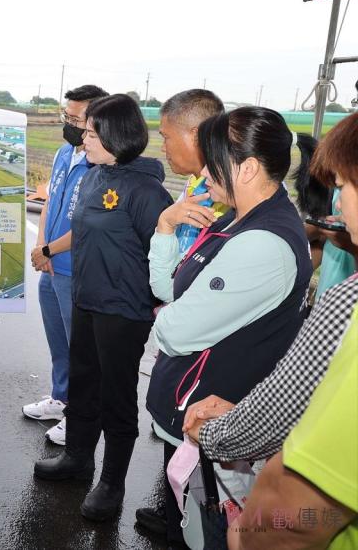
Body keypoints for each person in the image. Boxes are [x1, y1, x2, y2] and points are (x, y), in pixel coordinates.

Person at [144, 107, 312, 546]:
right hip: (190, 418)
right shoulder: (232, 218)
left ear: (249, 167)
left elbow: (176, 329)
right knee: (185, 524)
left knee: (205, 534)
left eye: (213, 158)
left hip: (213, 431)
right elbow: (169, 287)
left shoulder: (263, 244)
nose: (204, 170)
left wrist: (165, 319)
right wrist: (164, 228)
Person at [33, 94, 172, 522]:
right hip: (87, 302)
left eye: (91, 132)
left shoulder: (147, 192)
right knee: (83, 385)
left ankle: (112, 484)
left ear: (114, 134)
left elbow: (164, 257)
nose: (84, 139)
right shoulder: (95, 176)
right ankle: (77, 459)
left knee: (116, 398)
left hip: (123, 313)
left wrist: (149, 303)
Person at [223, 115, 358, 550]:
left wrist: (246, 537)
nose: (338, 206)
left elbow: (298, 506)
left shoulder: (347, 308)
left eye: (345, 185)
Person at [24, 84, 108, 446]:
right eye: (66, 116)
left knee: (81, 348)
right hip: (52, 263)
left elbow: (86, 223)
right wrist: (42, 245)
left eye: (76, 119)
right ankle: (61, 397)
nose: (69, 124)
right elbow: (49, 201)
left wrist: (49, 250)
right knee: (58, 339)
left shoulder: (98, 165)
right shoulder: (63, 154)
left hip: (75, 267)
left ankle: (80, 414)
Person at [155, 89, 229, 260]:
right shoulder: (194, 182)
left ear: (196, 136)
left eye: (166, 137)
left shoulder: (233, 197)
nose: (163, 148)